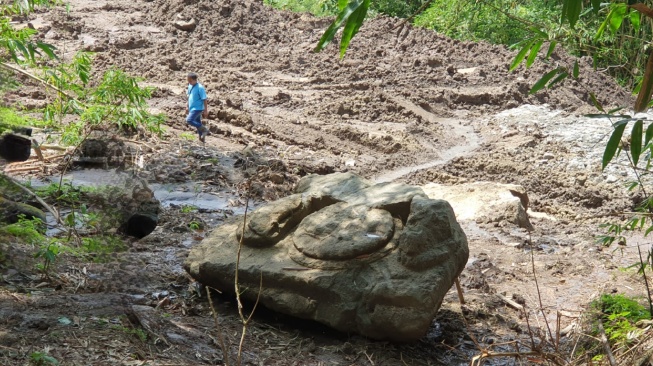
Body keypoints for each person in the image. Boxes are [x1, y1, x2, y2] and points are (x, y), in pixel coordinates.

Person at [185, 72, 209, 142]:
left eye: (190, 81)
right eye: (188, 81)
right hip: (192, 108)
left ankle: (204, 129)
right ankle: (201, 138)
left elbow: (204, 99)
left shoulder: (200, 88)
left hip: (198, 108)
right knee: (198, 122)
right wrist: (187, 106)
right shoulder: (190, 86)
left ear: (195, 80)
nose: (189, 82)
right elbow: (189, 96)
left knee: (189, 120)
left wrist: (205, 110)